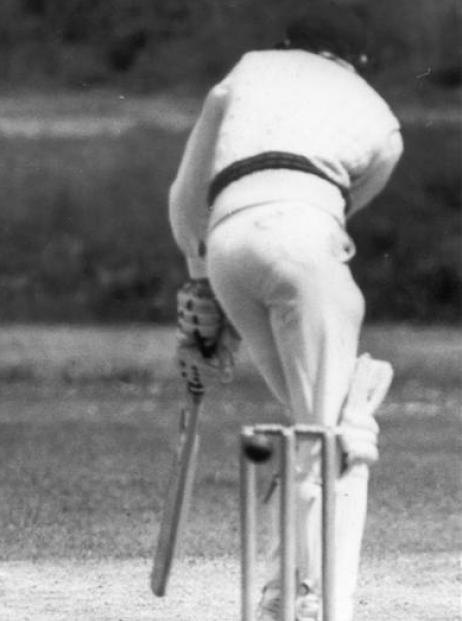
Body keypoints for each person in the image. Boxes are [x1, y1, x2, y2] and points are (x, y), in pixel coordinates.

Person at [168, 5, 402, 621]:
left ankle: (279, 590)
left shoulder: (247, 70)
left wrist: (201, 292)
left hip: (225, 246)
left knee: (310, 423)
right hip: (305, 237)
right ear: (359, 59)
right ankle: (327, 605)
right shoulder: (377, 111)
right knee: (340, 435)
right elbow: (338, 207)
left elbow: (187, 193)